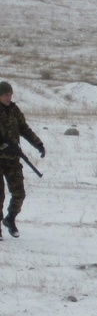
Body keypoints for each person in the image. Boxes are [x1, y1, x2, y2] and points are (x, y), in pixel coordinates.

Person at [0, 80, 45, 240]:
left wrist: (38, 144)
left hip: (12, 158)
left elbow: (24, 129)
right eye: (5, 94)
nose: (8, 97)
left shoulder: (14, 110)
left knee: (19, 193)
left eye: (10, 94)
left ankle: (10, 219)